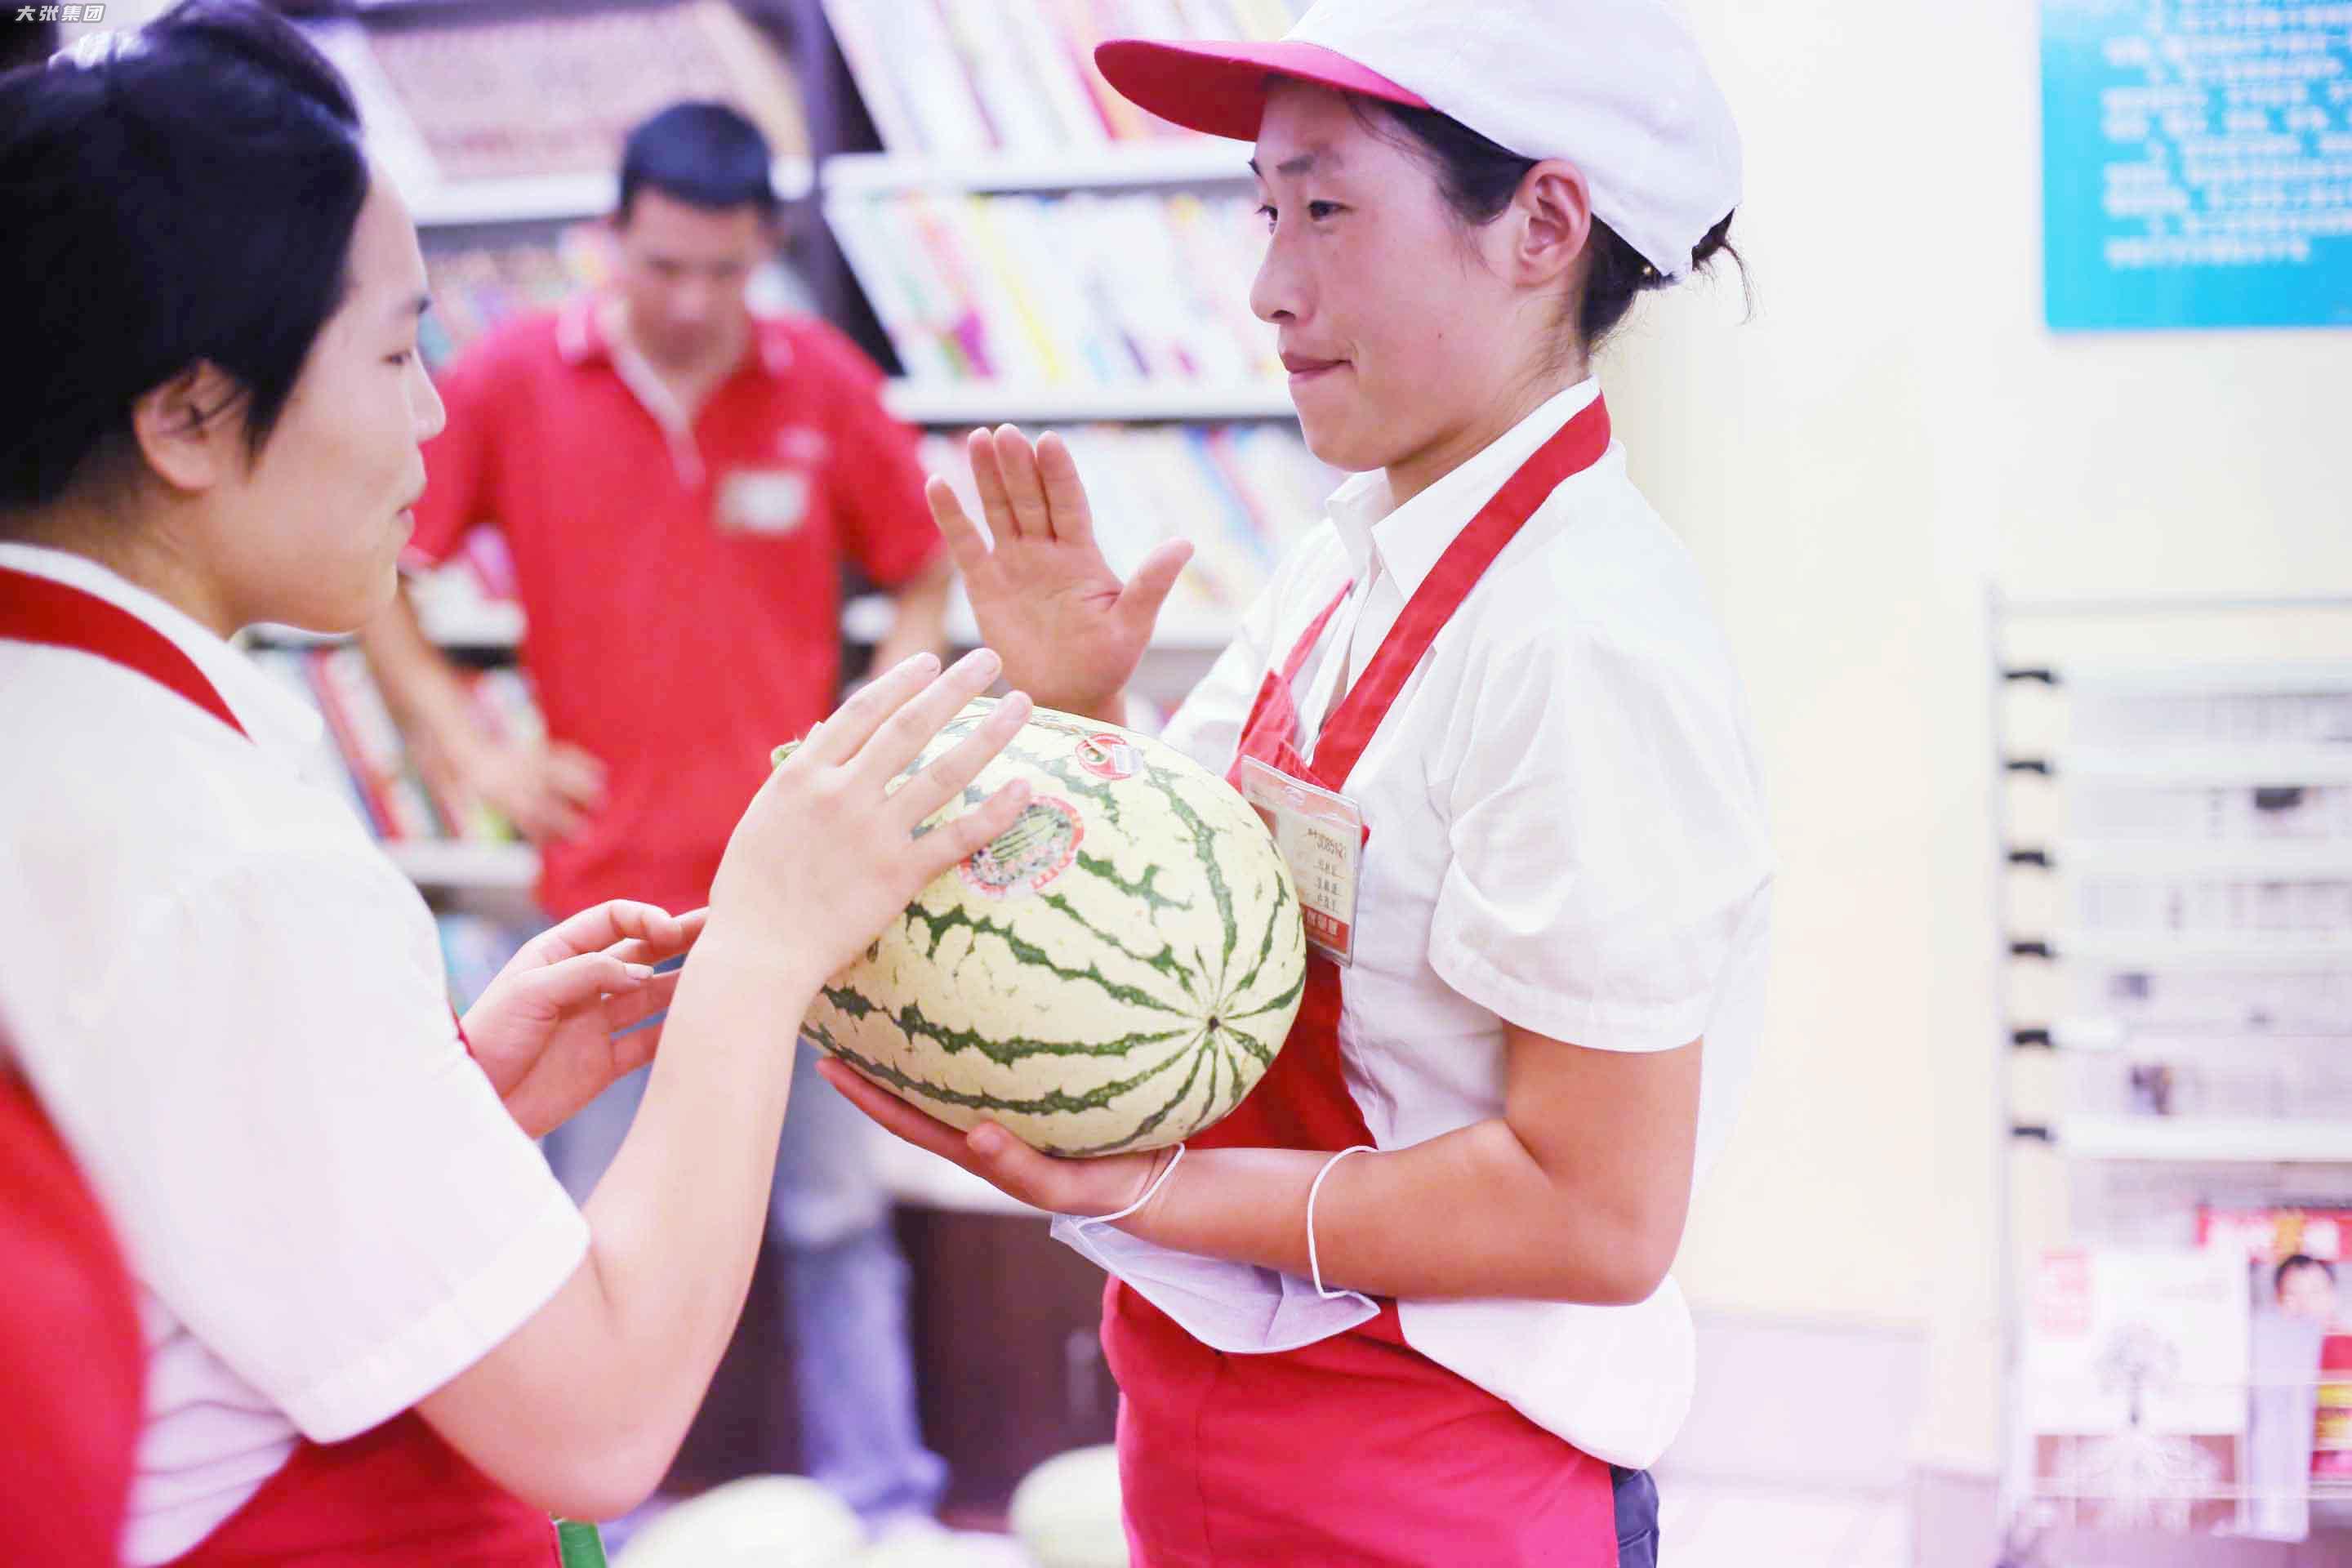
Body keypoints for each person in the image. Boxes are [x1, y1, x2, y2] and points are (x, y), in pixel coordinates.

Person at [0, 7, 1031, 1564]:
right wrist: (760, 950)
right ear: (190, 416)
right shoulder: (221, 857)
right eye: (399, 347)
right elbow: (597, 1421)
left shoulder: (80, 726)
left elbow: (205, 1215)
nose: (428, 412)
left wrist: (448, 1095)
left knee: (827, 1234)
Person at [818, 1, 1773, 1563]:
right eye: (1267, 211)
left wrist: (1147, 1192)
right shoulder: (1346, 564)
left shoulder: (1587, 640)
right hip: (1211, 1426)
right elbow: (1202, 940)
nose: (1269, 286)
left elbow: (1598, 1213)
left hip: (1441, 1478)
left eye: (1326, 207)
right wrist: (1087, 710)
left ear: (1542, 223)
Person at [354, 100, 961, 1535]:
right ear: (612, 239)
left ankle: (888, 1510)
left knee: (829, 1222)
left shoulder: (817, 379)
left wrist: (871, 716)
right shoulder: (504, 381)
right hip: (602, 918)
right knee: (573, 1245)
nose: (693, 303)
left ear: (765, 255)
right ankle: (594, 1541)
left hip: (800, 914)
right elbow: (375, 565)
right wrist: (466, 745)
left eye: (724, 273)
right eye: (664, 266)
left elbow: (926, 564)